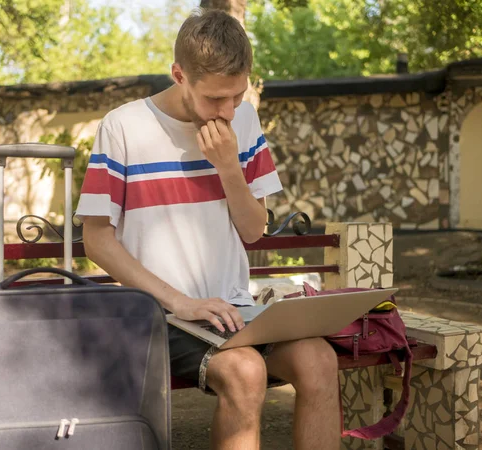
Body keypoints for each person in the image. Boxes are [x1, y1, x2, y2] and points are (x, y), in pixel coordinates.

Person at [76, 8, 340, 450]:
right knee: (245, 371)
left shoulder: (245, 122)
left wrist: (229, 169)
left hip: (237, 311)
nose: (227, 110)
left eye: (236, 96)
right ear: (179, 75)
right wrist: (182, 302)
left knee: (319, 360)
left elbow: (254, 231)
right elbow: (97, 240)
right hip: (161, 316)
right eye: (215, 99)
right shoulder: (123, 127)